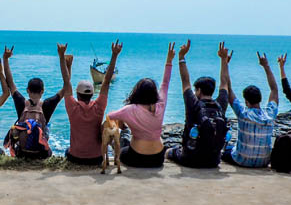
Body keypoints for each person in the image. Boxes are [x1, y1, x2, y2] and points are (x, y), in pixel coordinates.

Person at [106, 41, 173, 169]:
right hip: (158, 158)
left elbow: (109, 116)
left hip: (136, 157)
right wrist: (169, 60)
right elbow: (165, 83)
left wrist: (120, 123)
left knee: (123, 140)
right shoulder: (160, 105)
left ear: (137, 92)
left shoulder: (129, 110)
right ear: (154, 93)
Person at [166, 40, 229, 168]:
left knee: (168, 151)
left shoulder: (193, 104)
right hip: (214, 161)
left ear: (199, 90)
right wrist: (224, 60)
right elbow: (224, 82)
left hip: (190, 159)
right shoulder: (220, 104)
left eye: (195, 90)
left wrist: (181, 57)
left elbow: (185, 81)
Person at [58, 40, 121, 165]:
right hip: (97, 157)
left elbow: (66, 81)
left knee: (66, 151)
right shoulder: (99, 106)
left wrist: (61, 56)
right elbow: (107, 81)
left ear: (77, 94)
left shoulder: (72, 107)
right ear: (92, 94)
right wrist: (114, 55)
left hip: (75, 157)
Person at [1, 45, 63, 159]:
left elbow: (10, 83)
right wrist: (64, 61)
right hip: (41, 155)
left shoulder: (21, 103)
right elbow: (65, 89)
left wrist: (5, 59)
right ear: (42, 91)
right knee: (47, 127)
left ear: (27, 91)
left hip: (22, 153)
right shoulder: (47, 105)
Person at [222, 52, 279, 168]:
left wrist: (225, 64)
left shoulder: (243, 114)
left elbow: (228, 88)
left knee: (226, 148)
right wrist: (266, 66)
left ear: (246, 101)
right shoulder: (270, 114)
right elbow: (274, 90)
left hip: (241, 160)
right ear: (260, 99)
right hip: (264, 161)